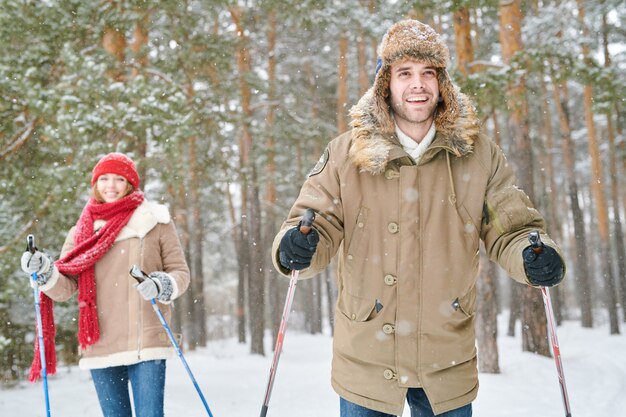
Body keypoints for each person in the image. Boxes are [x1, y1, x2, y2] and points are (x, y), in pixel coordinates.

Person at [272, 20, 565, 417]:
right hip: (367, 355)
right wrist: (296, 247)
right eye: (405, 73)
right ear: (385, 83)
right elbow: (314, 223)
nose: (418, 84)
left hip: (446, 355)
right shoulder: (346, 153)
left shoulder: (477, 154)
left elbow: (512, 229)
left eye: (428, 73)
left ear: (442, 82)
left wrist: (535, 254)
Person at [20, 152, 190, 417]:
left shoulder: (155, 221)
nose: (111, 186)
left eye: (119, 179)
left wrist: (161, 285)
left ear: (130, 184)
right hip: (100, 342)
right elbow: (65, 287)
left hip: (144, 339)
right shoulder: (81, 231)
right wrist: (43, 270)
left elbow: (180, 272)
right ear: (95, 183)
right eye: (104, 179)